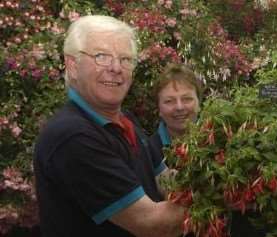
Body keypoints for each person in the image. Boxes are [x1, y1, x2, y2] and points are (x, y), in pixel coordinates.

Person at [33, 15, 185, 237]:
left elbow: (167, 182)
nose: (116, 68)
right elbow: (153, 224)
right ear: (72, 66)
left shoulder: (126, 121)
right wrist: (225, 197)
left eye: (125, 59)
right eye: (101, 56)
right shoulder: (73, 137)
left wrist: (223, 171)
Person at [148, 64, 265, 237]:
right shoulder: (149, 150)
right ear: (159, 109)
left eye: (187, 99)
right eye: (169, 101)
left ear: (199, 102)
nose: (179, 107)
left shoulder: (225, 138)